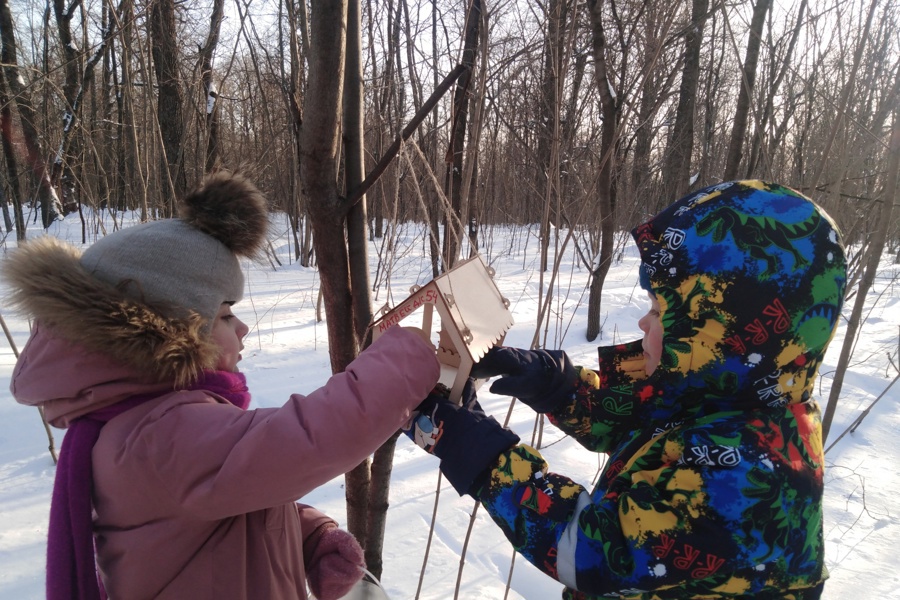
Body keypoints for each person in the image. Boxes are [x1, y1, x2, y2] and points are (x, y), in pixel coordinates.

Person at [4, 171, 440, 600]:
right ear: (174, 332)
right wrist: (409, 357)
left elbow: (227, 511)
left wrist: (311, 538)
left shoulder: (148, 422)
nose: (244, 327)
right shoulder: (157, 437)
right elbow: (303, 441)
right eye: (226, 314)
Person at [405, 180, 846, 599]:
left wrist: (485, 461)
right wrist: (561, 390)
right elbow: (647, 419)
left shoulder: (750, 475)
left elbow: (591, 552)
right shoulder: (738, 396)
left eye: (660, 310)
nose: (644, 321)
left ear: (721, 336)